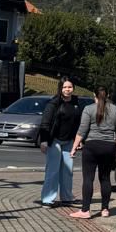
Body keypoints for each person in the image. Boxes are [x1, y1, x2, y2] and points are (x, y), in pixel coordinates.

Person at [69, 87, 116, 219]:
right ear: (108, 95)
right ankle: (105, 209)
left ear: (94, 95)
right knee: (105, 178)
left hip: (92, 146)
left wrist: (74, 147)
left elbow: (82, 130)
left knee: (88, 178)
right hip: (109, 146)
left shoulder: (88, 109)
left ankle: (85, 210)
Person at [38, 79, 83, 207]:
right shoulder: (54, 103)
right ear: (60, 89)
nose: (67, 89)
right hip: (54, 140)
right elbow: (45, 122)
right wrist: (44, 140)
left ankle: (67, 197)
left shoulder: (75, 103)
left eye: (70, 87)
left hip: (69, 141)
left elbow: (78, 123)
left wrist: (79, 140)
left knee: (68, 171)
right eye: (64, 87)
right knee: (53, 171)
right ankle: (47, 199)